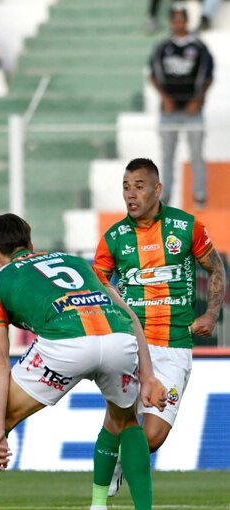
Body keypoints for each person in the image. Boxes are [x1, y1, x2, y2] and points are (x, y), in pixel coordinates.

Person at [0, 213, 167, 510]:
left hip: (66, 345)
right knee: (126, 423)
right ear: (30, 243)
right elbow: (129, 315)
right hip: (118, 339)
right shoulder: (78, 262)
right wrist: (148, 376)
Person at [92, 157, 225, 501]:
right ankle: (100, 497)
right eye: (125, 187)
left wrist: (211, 314)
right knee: (118, 420)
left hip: (174, 345)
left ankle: (120, 463)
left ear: (157, 189)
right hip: (131, 346)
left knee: (152, 436)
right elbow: (96, 285)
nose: (130, 194)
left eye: (138, 186)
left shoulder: (185, 227)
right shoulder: (114, 238)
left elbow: (217, 268)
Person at [149, 5, 214, 209]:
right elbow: (153, 75)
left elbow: (208, 76)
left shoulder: (199, 47)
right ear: (171, 22)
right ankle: (165, 197)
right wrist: (165, 98)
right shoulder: (162, 47)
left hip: (193, 111)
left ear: (186, 21)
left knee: (196, 154)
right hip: (169, 111)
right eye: (175, 19)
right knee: (167, 156)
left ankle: (200, 196)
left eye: (181, 19)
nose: (179, 23)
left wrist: (197, 100)